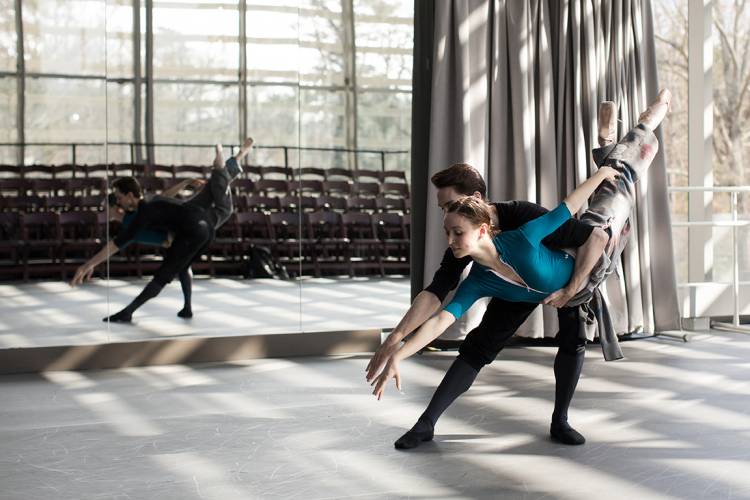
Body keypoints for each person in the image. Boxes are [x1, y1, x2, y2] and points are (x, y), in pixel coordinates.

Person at [367, 89, 671, 449]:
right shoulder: (464, 250)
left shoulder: (523, 222)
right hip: (518, 287)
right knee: (478, 348)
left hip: (583, 261)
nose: (447, 227)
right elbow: (438, 305)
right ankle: (425, 423)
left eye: (450, 208)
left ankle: (624, 135)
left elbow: (590, 233)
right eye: (445, 215)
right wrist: (397, 345)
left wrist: (571, 289)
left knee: (617, 185)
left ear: (476, 207)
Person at [70, 138, 255, 322]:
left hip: (196, 229)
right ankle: (226, 164)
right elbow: (165, 198)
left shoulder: (139, 217)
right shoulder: (152, 202)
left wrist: (88, 264)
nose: (117, 202)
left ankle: (128, 311)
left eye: (118, 198)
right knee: (216, 190)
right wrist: (185, 183)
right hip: (193, 213)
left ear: (129, 196)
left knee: (164, 274)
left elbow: (115, 244)